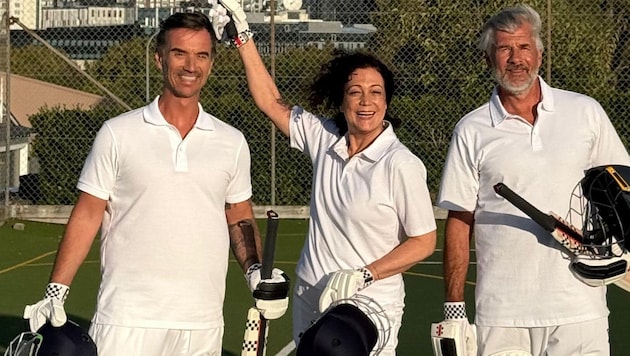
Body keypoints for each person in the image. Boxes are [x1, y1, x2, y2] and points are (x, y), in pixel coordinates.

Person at [22, 11, 289, 356]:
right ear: (160, 58)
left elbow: (238, 213)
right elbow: (87, 215)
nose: (190, 65)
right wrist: (56, 292)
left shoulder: (232, 141)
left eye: (201, 55)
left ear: (211, 63)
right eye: (180, 53)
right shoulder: (118, 134)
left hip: (202, 322)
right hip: (127, 319)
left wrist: (254, 270)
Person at [218, 1, 437, 354]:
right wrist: (243, 37)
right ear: (342, 100)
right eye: (355, 92)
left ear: (386, 101)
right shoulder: (325, 138)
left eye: (376, 92)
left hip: (369, 302)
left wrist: (365, 274)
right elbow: (271, 102)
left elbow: (424, 241)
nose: (366, 101)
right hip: (311, 294)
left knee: (338, 348)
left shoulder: (401, 164)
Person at [436, 4, 630, 356]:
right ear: (488, 59)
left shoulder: (585, 112)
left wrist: (614, 248)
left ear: (539, 54)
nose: (516, 58)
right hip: (502, 315)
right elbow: (459, 220)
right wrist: (453, 309)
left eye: (524, 47)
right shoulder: (471, 129)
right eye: (504, 49)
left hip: (579, 308)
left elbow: (621, 191)